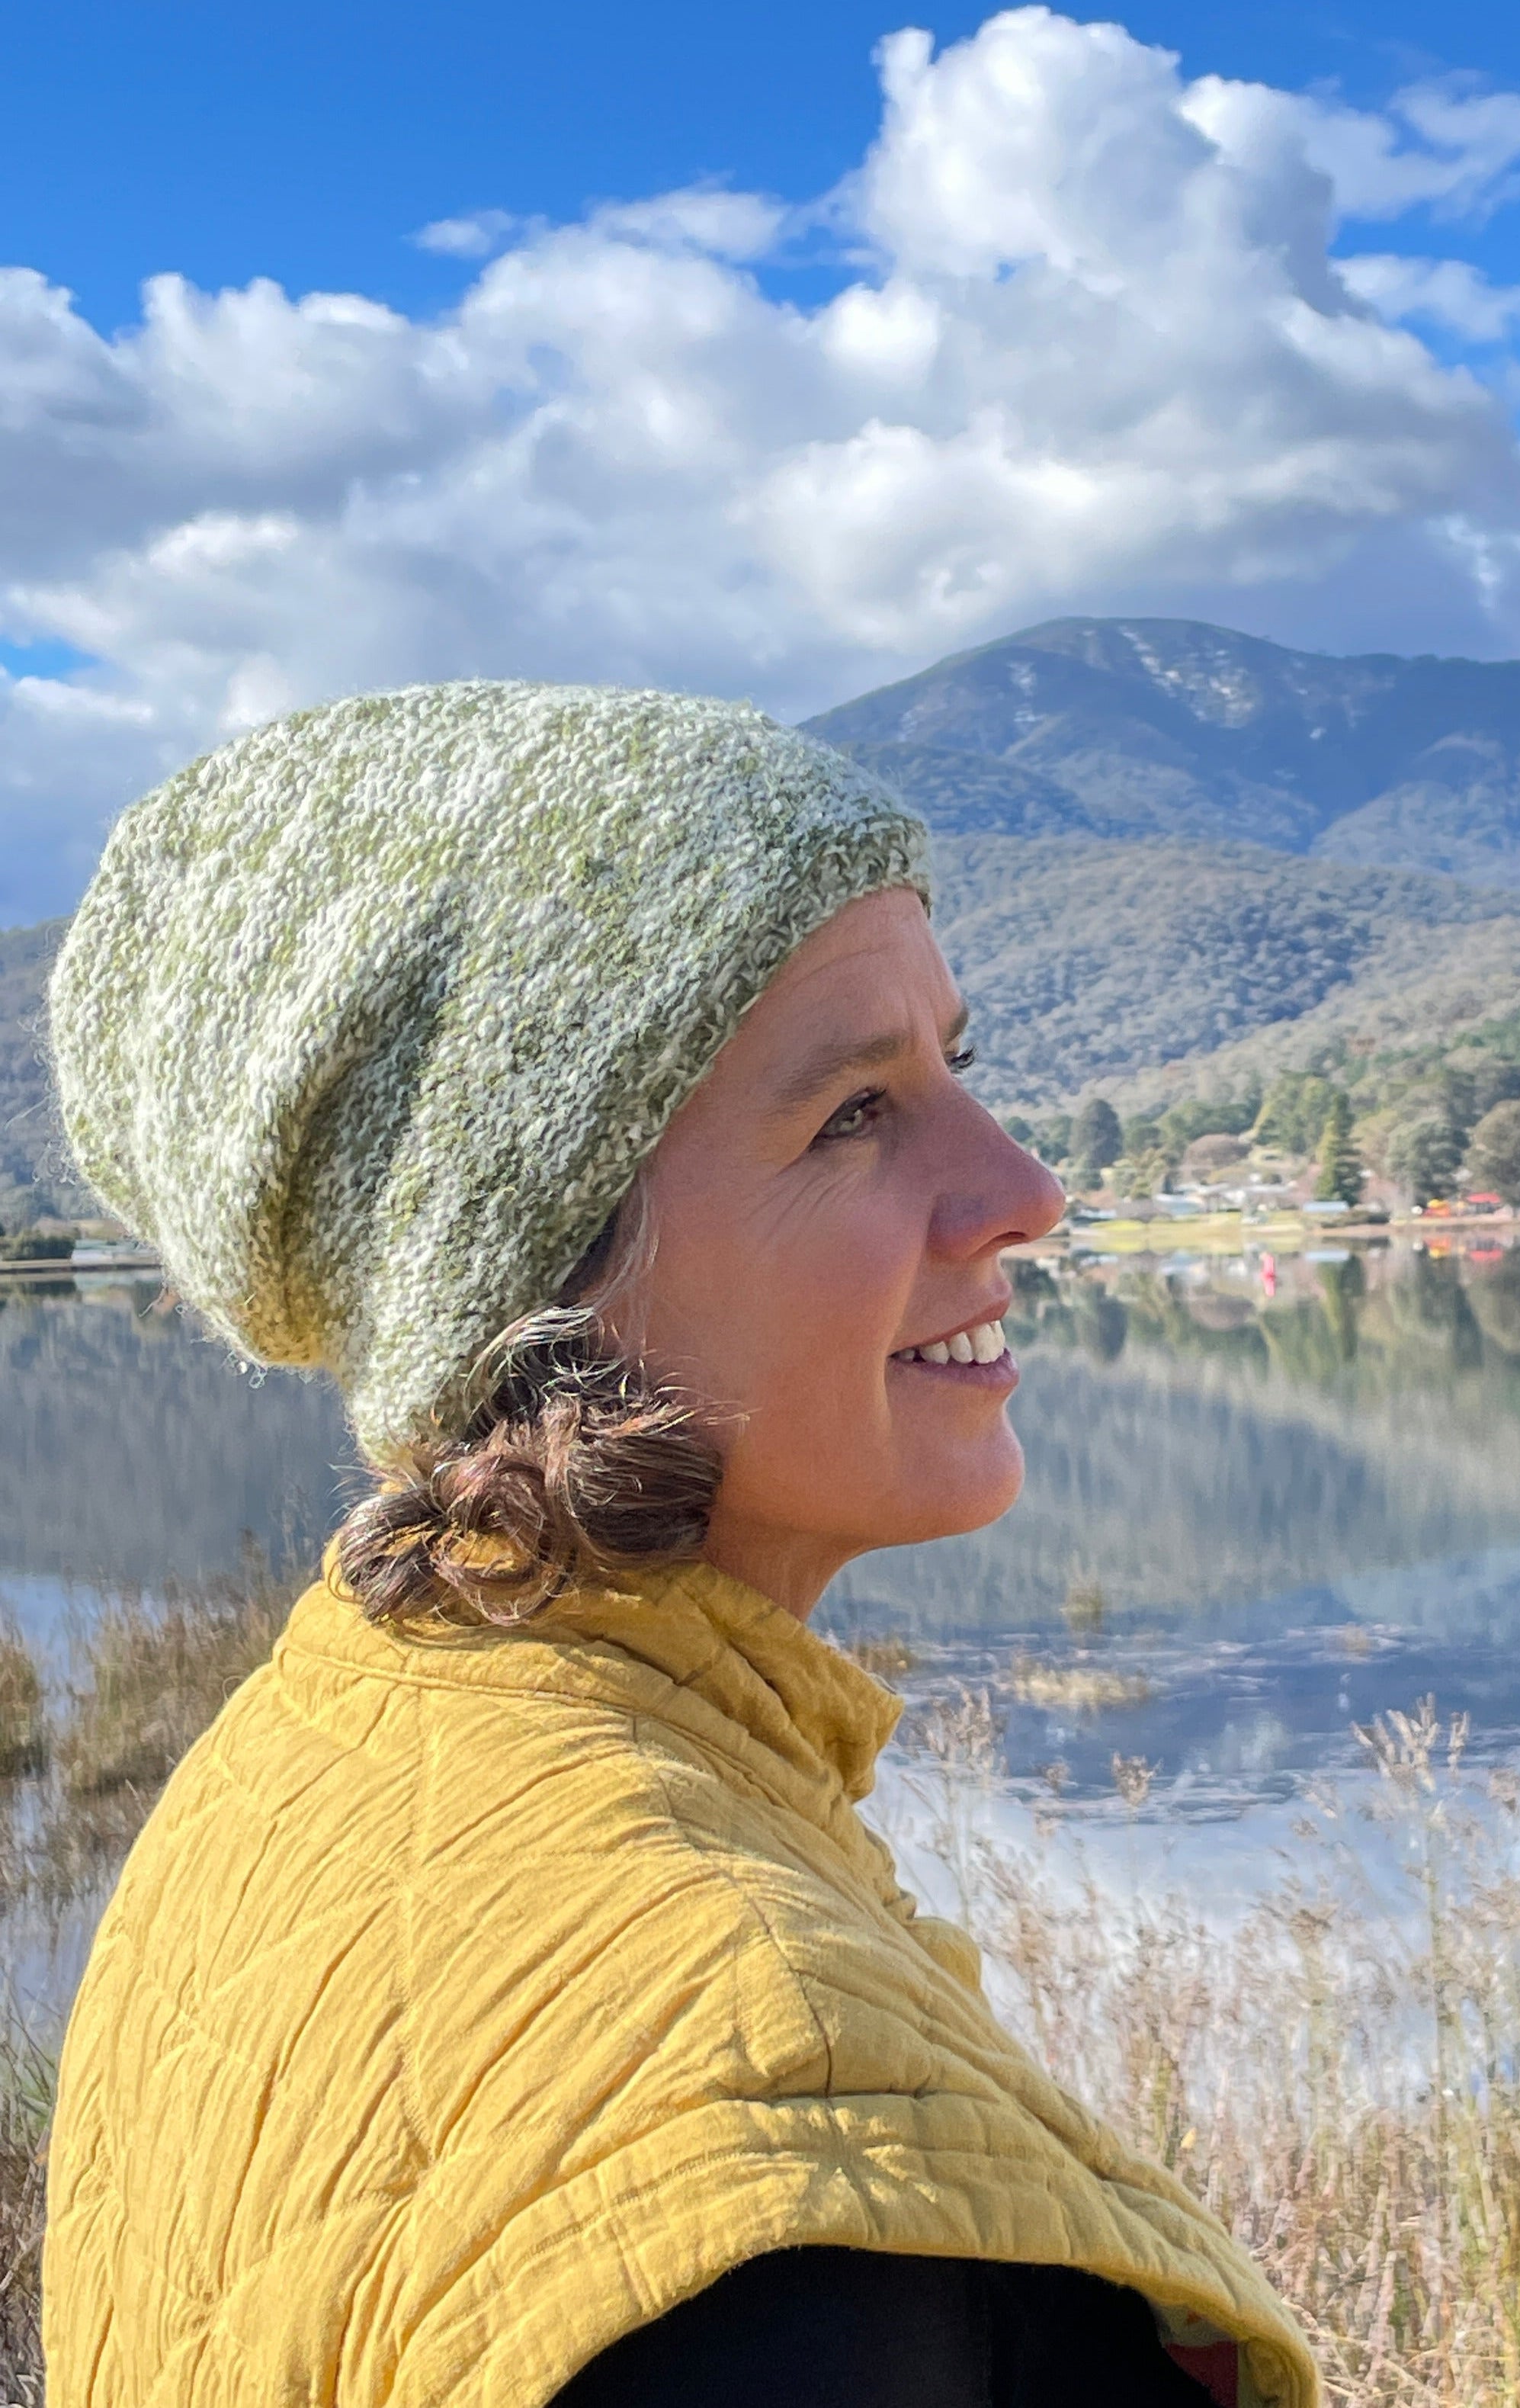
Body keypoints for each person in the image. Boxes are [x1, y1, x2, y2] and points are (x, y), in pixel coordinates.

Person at [40, 682, 1319, 2408]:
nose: (1025, 1188)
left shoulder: (330, 1725)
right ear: (542, 1277)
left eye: (955, 1067)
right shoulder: (768, 2183)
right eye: (852, 1113)